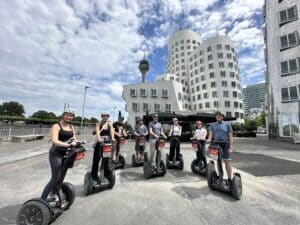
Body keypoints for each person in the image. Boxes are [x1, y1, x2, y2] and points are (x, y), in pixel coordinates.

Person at [41, 108, 78, 200]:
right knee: (55, 178)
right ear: (63, 115)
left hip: (67, 153)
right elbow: (55, 141)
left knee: (62, 177)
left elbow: (74, 138)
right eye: (67, 115)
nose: (69, 117)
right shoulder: (56, 126)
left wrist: (77, 142)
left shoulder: (71, 127)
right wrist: (68, 144)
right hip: (56, 153)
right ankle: (42, 200)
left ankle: (54, 194)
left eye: (71, 115)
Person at [207, 111, 234, 183]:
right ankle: (220, 177)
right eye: (217, 116)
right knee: (218, 161)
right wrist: (209, 139)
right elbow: (211, 134)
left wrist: (231, 147)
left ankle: (229, 179)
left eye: (220, 116)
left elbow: (230, 136)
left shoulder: (227, 124)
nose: (218, 117)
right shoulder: (212, 125)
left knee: (227, 161)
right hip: (216, 144)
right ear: (216, 117)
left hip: (225, 144)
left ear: (222, 117)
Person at [91, 112, 115, 184]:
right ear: (101, 117)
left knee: (106, 161)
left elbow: (111, 132)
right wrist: (99, 139)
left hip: (107, 144)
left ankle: (106, 175)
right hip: (100, 143)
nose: (105, 117)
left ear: (108, 117)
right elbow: (97, 133)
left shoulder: (109, 124)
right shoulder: (98, 123)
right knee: (96, 160)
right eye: (104, 116)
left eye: (107, 116)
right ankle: (94, 177)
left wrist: (113, 138)